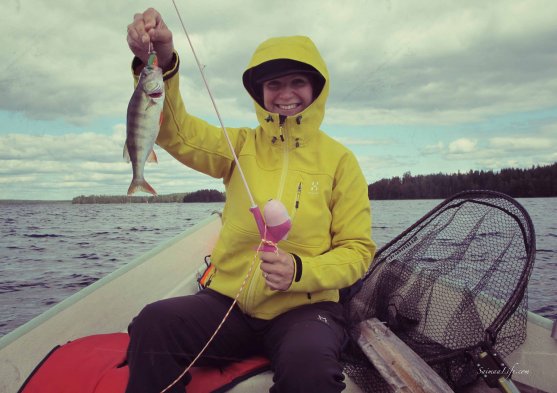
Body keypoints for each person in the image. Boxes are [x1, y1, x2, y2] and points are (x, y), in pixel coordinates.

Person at [125, 8, 376, 393]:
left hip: (305, 310)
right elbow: (175, 132)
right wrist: (161, 60)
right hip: (230, 303)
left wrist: (298, 271)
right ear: (260, 92)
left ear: (316, 89)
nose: (286, 94)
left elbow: (357, 250)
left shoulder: (340, 160)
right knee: (153, 323)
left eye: (298, 82)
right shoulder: (239, 145)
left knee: (310, 371)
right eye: (274, 84)